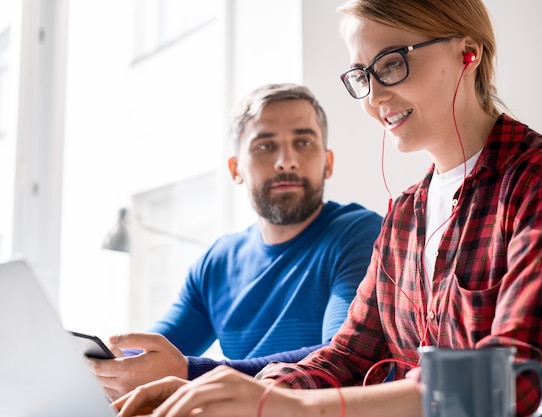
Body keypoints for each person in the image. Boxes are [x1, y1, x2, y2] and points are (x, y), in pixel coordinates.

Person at [112, 1, 542, 416]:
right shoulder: (404, 216)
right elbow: (346, 353)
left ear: (468, 52)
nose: (374, 95)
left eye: (391, 63)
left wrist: (290, 407)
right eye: (362, 74)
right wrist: (247, 393)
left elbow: (519, 380)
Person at [91, 82, 383, 401]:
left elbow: (342, 358)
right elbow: (153, 352)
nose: (287, 160)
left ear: (328, 163)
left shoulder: (359, 234)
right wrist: (104, 363)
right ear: (235, 169)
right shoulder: (217, 262)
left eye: (303, 142)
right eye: (265, 146)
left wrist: (191, 373)